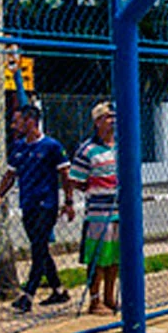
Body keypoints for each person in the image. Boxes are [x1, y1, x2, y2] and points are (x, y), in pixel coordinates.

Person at [0, 103, 73, 312]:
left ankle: (28, 295)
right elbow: (10, 175)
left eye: (17, 121)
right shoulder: (19, 147)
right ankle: (58, 290)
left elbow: (65, 175)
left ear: (30, 121)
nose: (13, 126)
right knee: (40, 248)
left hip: (46, 205)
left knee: (38, 247)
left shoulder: (51, 146)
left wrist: (68, 201)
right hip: (28, 205)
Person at [65, 102, 121, 315]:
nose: (113, 120)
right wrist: (94, 189)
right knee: (97, 257)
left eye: (114, 116)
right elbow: (75, 179)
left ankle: (109, 297)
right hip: (98, 212)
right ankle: (95, 300)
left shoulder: (121, 145)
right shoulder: (87, 150)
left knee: (114, 256)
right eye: (108, 117)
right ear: (97, 122)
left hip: (119, 210)